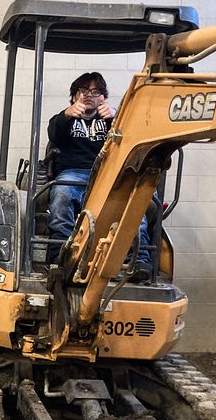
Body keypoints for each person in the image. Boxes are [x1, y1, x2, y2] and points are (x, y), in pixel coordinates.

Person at [46, 71, 152, 281]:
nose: (88, 95)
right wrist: (67, 115)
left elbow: (134, 140)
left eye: (95, 91)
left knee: (133, 201)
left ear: (102, 96)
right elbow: (54, 135)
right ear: (74, 95)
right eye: (83, 90)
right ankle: (60, 256)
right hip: (72, 174)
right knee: (62, 194)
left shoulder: (113, 121)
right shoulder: (64, 119)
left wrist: (118, 118)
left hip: (108, 177)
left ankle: (139, 260)